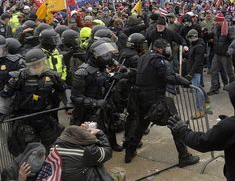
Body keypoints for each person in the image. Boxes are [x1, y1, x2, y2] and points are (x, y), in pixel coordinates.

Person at [124, 38, 199, 167]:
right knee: (176, 123)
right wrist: (184, 81)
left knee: (141, 125)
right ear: (160, 48)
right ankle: (184, 156)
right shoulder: (159, 60)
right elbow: (169, 76)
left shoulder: (143, 57)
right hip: (155, 99)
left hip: (140, 98)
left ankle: (129, 153)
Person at [1, 49, 65, 156]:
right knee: (28, 149)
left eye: (40, 63)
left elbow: (63, 90)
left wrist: (68, 103)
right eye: (34, 65)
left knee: (51, 144)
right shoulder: (19, 76)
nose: (38, 67)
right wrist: (1, 112)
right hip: (24, 118)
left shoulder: (52, 76)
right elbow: (5, 94)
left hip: (44, 116)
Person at [70, 40, 123, 151]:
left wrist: (113, 79)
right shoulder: (82, 73)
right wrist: (94, 103)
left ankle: (112, 144)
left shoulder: (102, 69)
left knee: (110, 126)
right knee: (90, 134)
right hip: (88, 111)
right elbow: (75, 97)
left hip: (105, 105)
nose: (106, 56)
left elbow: (103, 86)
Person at [208, 13, 235, 95]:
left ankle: (233, 87)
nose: (216, 23)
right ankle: (215, 87)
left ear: (222, 21)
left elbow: (233, 41)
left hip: (225, 55)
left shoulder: (229, 29)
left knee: (229, 72)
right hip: (217, 53)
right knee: (213, 70)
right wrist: (206, 33)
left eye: (218, 21)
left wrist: (229, 51)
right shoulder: (216, 27)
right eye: (216, 21)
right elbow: (212, 33)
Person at [185, 29, 207, 119]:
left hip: (196, 71)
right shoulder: (194, 44)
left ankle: (200, 110)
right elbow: (192, 57)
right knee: (198, 88)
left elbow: (197, 61)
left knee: (197, 90)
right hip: (193, 70)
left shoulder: (199, 47)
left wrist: (190, 73)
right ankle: (206, 100)